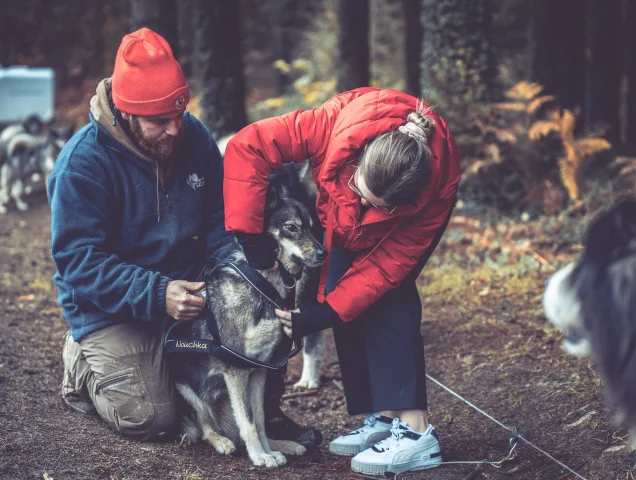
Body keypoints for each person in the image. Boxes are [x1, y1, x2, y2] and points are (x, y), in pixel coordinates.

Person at [51, 27, 318, 446]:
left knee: (260, 333)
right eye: (161, 121)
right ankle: (83, 366)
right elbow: (78, 262)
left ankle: (263, 411)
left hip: (193, 292)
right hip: (114, 306)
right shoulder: (82, 165)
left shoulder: (191, 135)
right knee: (153, 420)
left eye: (180, 114)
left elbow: (219, 218)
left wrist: (243, 273)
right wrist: (158, 292)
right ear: (125, 112)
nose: (176, 129)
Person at [224, 87, 460, 476]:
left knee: (390, 293)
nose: (363, 208)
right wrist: (251, 236)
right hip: (349, 182)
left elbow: (383, 271)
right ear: (359, 156)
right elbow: (247, 147)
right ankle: (384, 417)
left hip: (410, 223)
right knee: (339, 279)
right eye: (358, 191)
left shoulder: (431, 196)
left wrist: (324, 314)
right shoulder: (327, 126)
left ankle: (416, 433)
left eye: (377, 207)